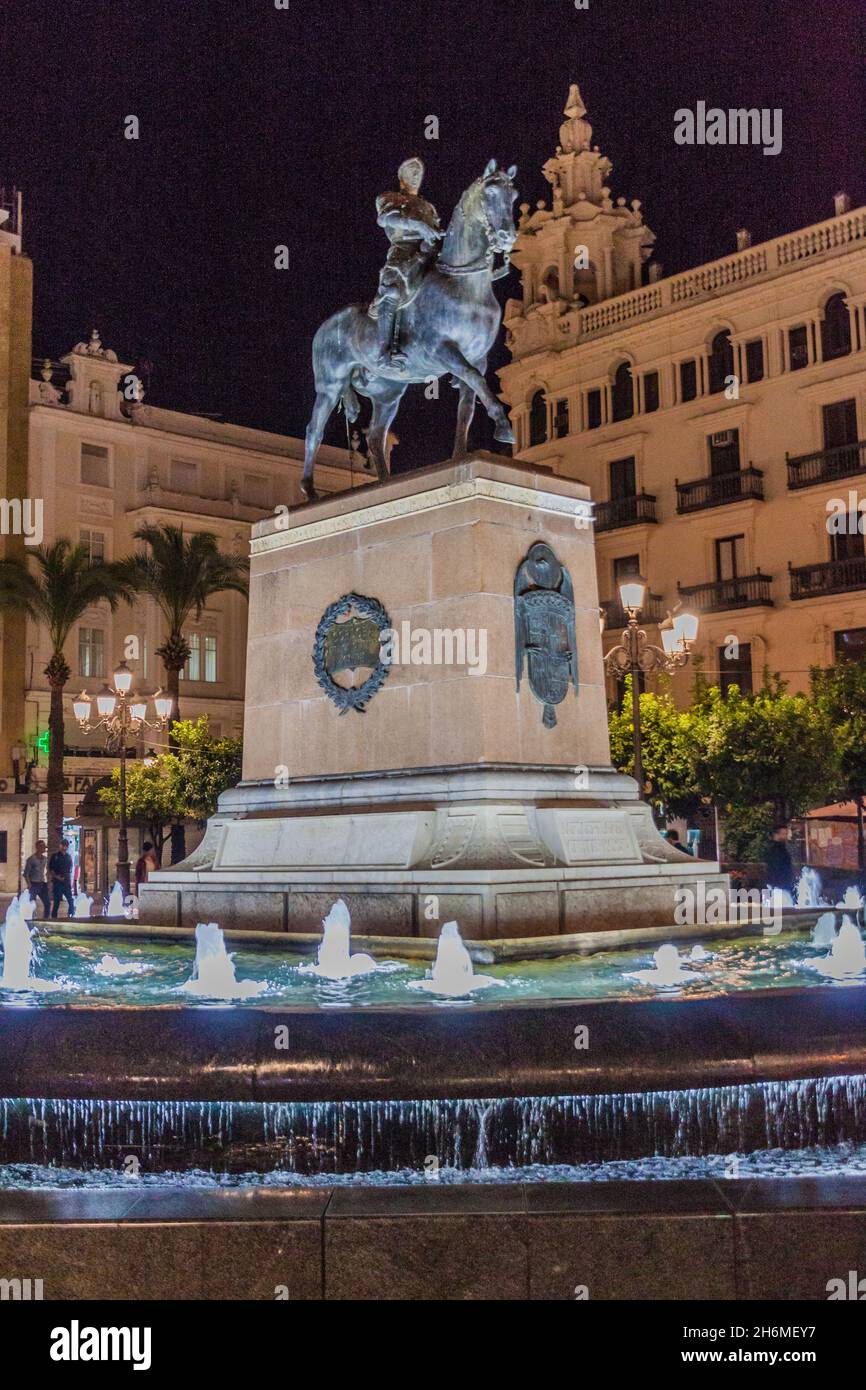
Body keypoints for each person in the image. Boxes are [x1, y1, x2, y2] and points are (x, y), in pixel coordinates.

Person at [369, 156, 443, 370]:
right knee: (391, 292)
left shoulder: (428, 206)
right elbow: (385, 220)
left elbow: (435, 230)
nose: (416, 176)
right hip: (402, 252)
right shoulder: (388, 197)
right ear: (401, 177)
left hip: (429, 253)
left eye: (419, 172)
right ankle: (385, 353)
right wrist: (418, 226)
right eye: (412, 171)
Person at [765, 822, 796, 896]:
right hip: (779, 884)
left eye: (786, 833)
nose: (786, 836)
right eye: (783, 834)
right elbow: (776, 866)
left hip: (780, 883)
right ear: (776, 835)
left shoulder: (781, 847)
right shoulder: (776, 849)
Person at [23, 839, 50, 918]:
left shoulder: (45, 859)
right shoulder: (31, 859)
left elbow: (46, 870)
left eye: (45, 846)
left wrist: (48, 880)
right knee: (32, 904)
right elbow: (26, 874)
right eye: (43, 846)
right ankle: (31, 920)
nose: (45, 848)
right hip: (34, 884)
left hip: (42, 884)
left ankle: (46, 919)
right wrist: (29, 884)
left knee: (47, 903)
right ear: (38, 847)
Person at [48, 838, 74, 919]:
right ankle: (54, 918)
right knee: (57, 902)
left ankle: (70, 916)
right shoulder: (55, 856)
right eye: (63, 845)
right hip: (57, 883)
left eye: (66, 846)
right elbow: (51, 869)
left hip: (66, 883)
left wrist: (69, 881)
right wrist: (57, 877)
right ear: (60, 845)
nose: (64, 847)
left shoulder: (68, 857)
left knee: (70, 901)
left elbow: (69, 869)